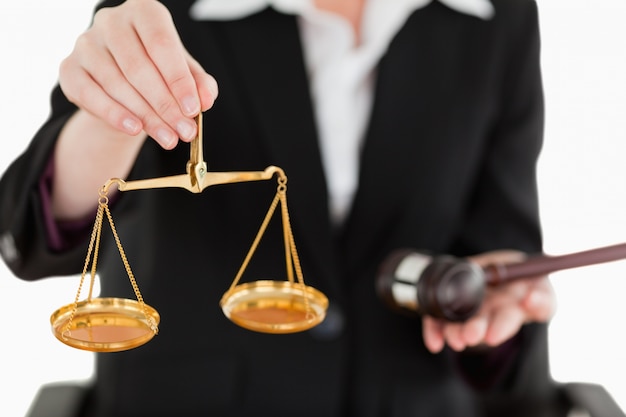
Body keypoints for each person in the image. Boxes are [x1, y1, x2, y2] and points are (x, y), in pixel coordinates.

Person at [0, 0, 557, 416]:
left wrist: (493, 310)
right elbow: (37, 231)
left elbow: (500, 244)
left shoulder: (496, 19)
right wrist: (111, 116)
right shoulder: (159, 10)